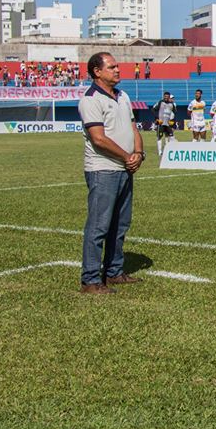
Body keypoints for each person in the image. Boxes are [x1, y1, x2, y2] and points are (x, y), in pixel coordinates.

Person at [78, 52, 144, 295]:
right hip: (103, 170)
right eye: (112, 67)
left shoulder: (123, 96)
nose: (118, 70)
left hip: (124, 169)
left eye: (117, 66)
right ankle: (91, 280)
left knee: (121, 224)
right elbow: (98, 139)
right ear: (97, 71)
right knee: (99, 226)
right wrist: (127, 157)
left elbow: (133, 127)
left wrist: (138, 152)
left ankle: (114, 271)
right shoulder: (91, 99)